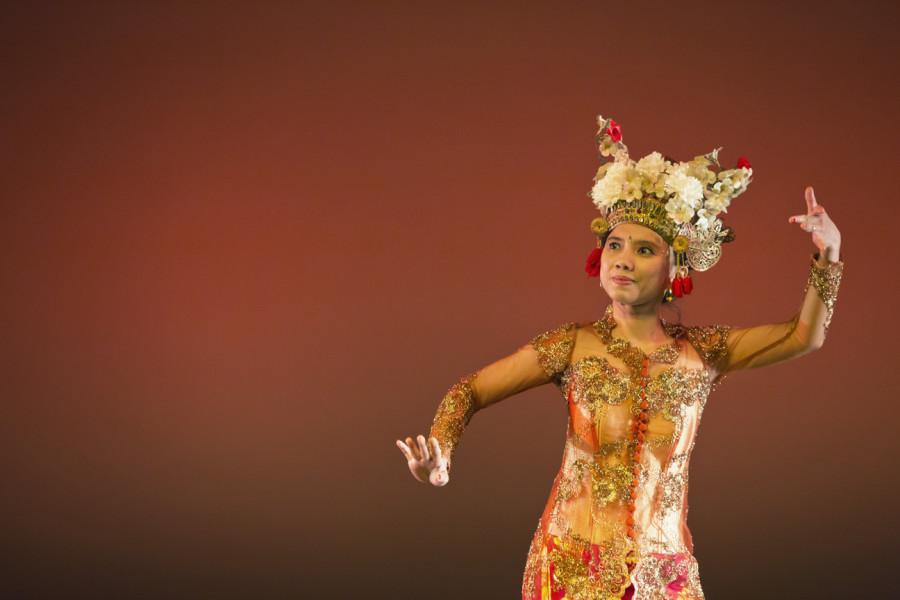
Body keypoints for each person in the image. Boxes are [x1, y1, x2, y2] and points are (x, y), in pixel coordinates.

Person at [395, 115, 844, 599]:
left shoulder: (702, 352)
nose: (623, 259)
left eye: (645, 249)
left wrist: (830, 254)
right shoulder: (572, 344)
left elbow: (803, 336)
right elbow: (471, 389)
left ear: (676, 268)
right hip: (570, 566)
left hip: (663, 573)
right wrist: (440, 455)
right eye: (615, 245)